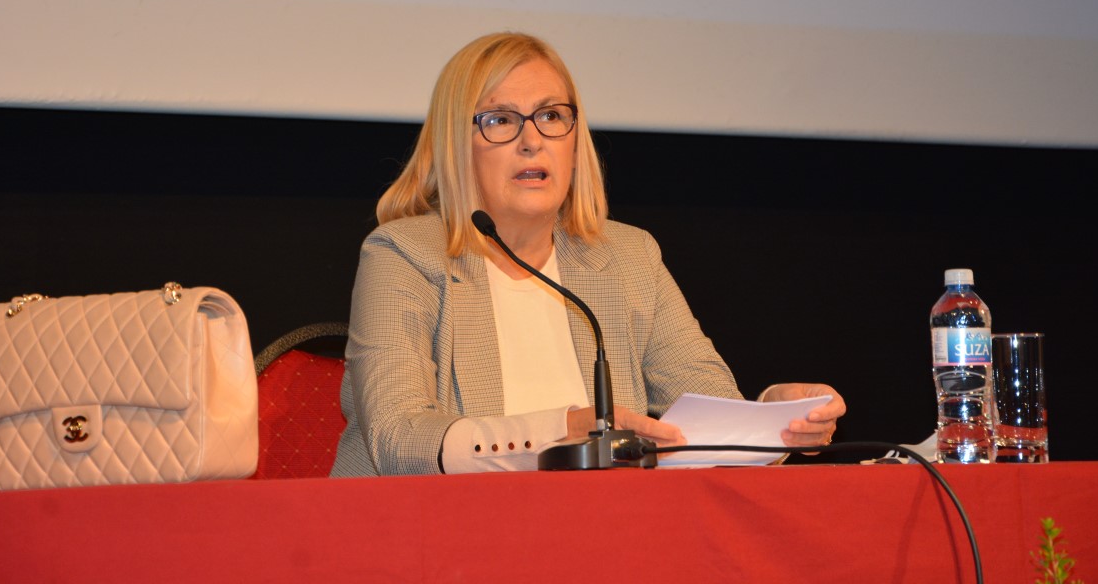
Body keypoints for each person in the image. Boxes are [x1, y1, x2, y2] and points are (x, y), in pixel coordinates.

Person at [331, 32, 846, 477]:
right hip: (431, 536)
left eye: (551, 115)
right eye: (501, 119)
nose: (532, 140)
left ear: (575, 143)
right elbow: (401, 439)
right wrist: (561, 432)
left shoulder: (628, 257)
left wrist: (775, 419)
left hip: (601, 532)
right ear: (454, 144)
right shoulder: (403, 256)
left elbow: (704, 422)